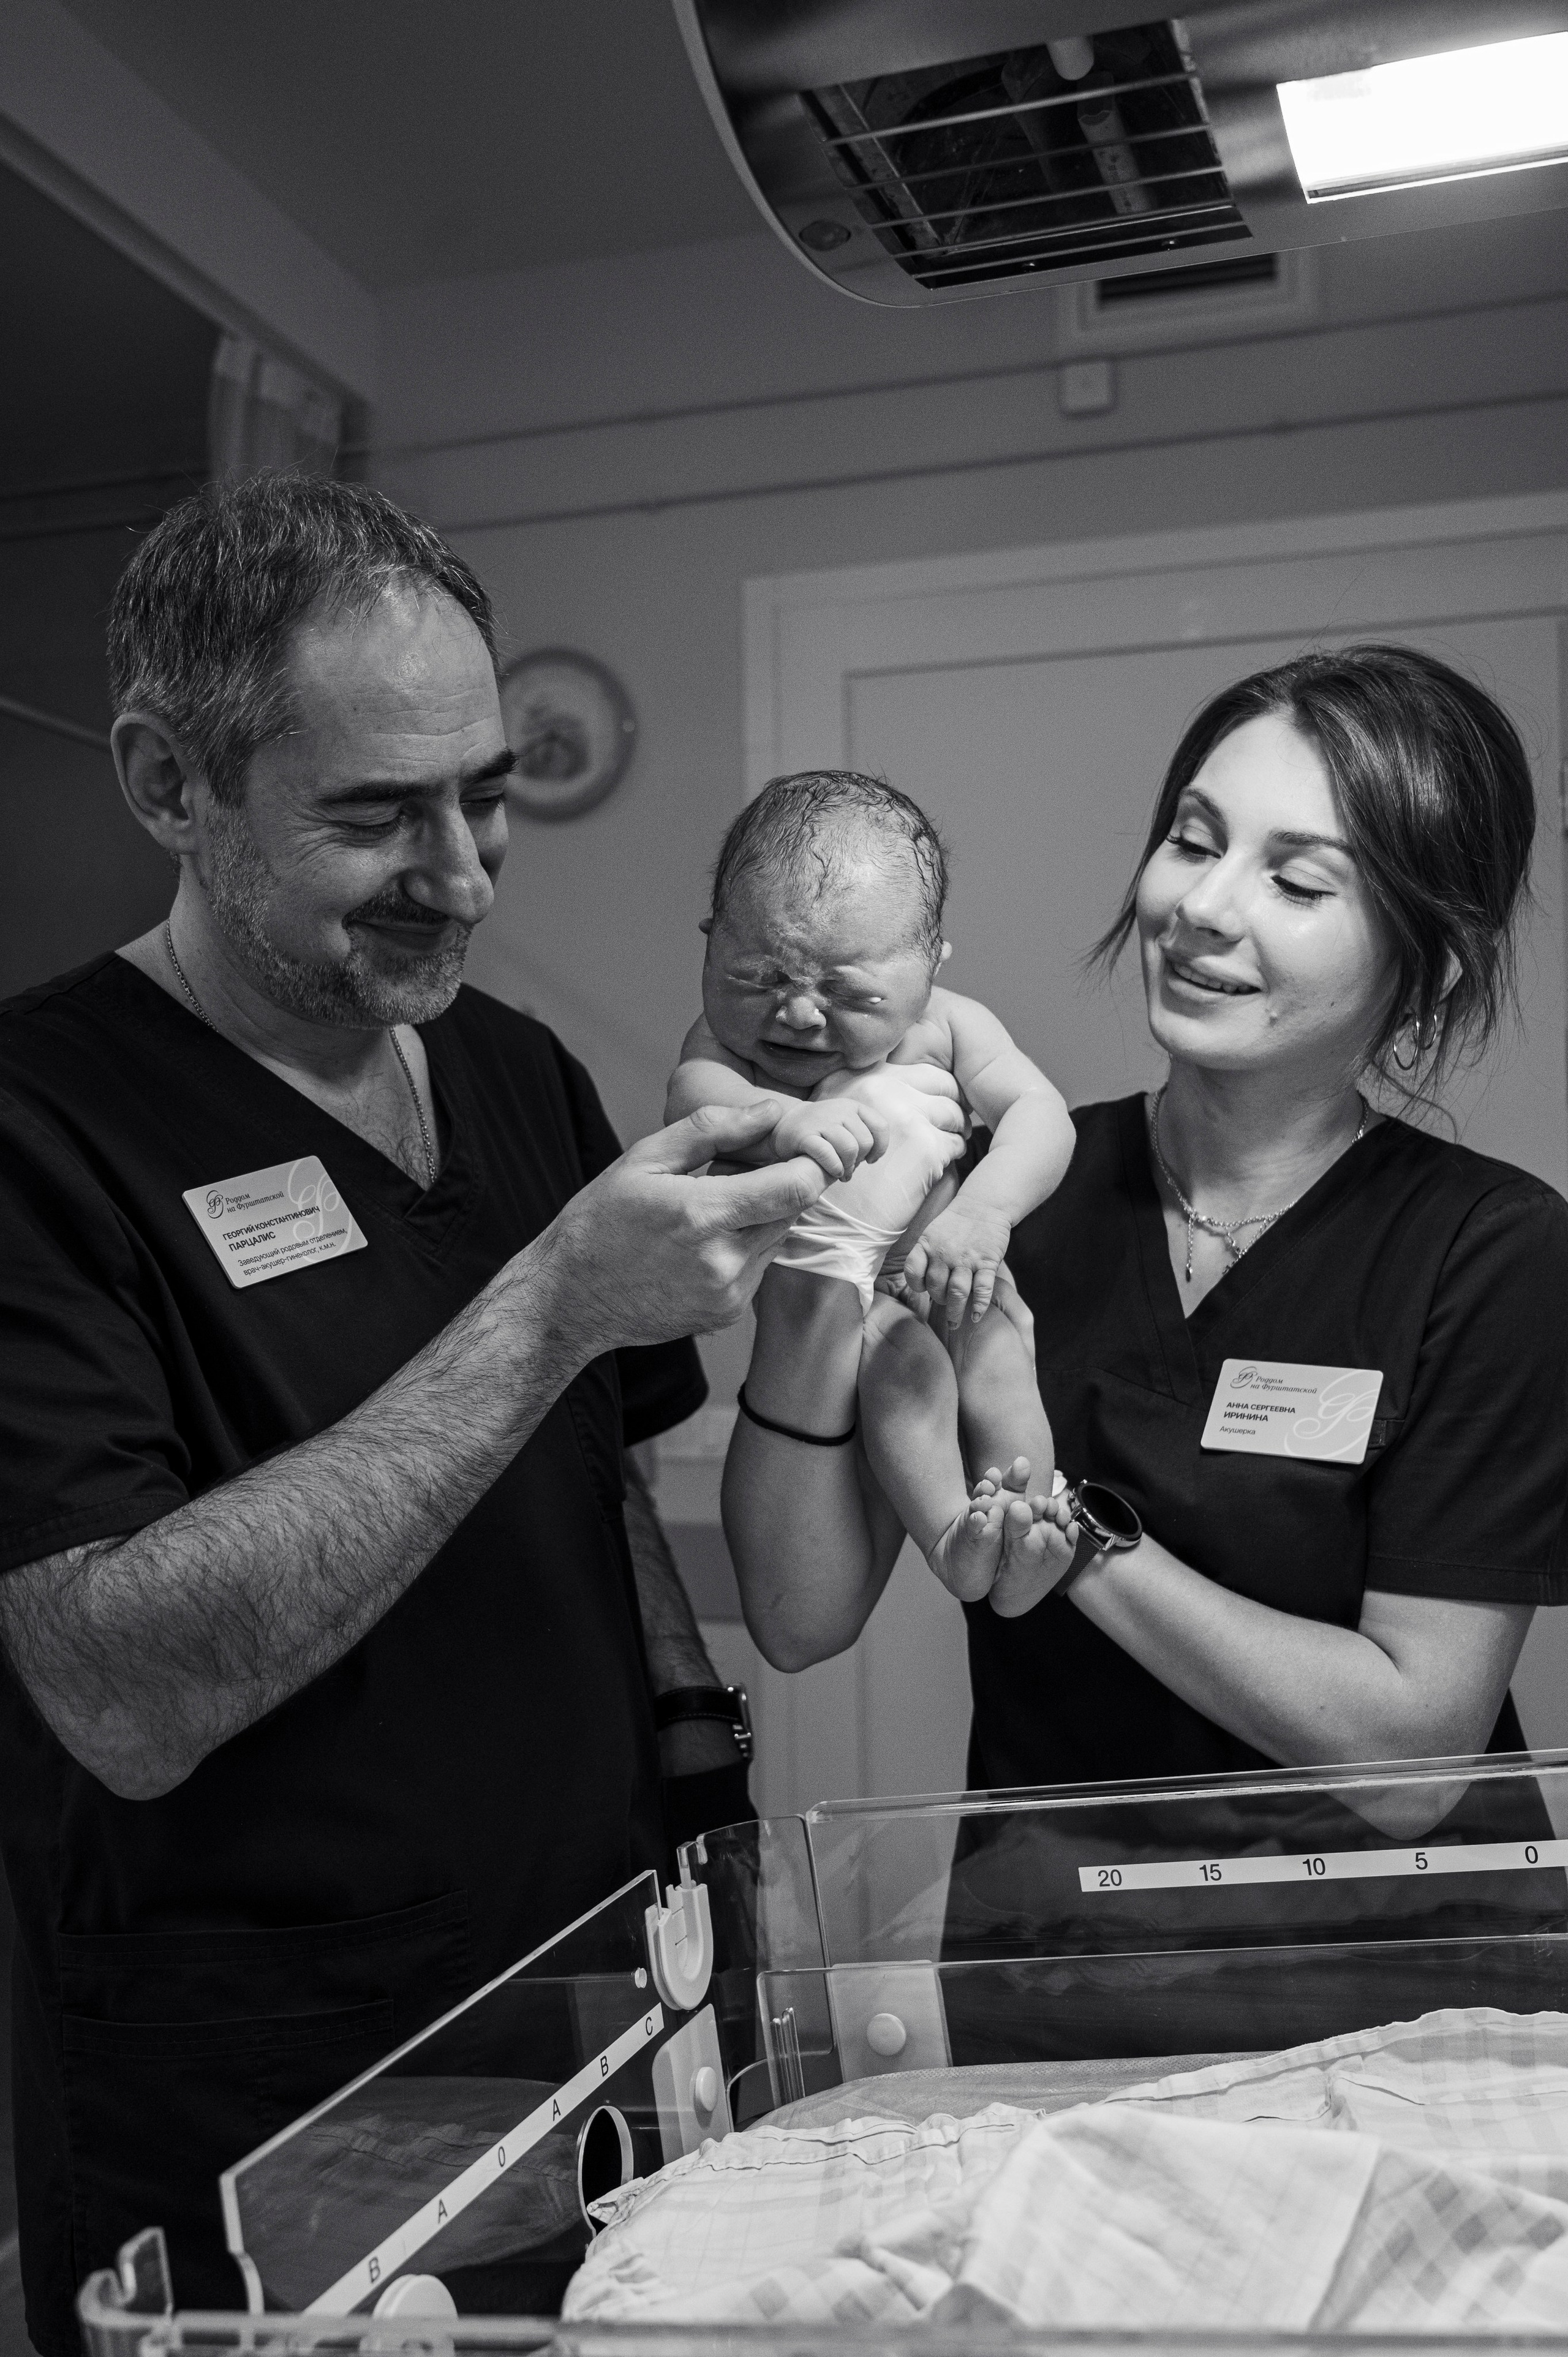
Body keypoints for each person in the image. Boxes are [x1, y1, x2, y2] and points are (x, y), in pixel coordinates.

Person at [0, 476, 826, 2350]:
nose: (460, 874)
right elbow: (115, 1693)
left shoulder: (511, 1067)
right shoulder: (41, 1131)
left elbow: (603, 1492)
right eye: (376, 817)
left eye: (490, 793)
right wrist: (542, 1305)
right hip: (263, 2070)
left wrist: (708, 1814)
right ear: (167, 785)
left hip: (598, 1990)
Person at [725, 646, 1568, 1827]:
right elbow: (796, 1617)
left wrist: (1065, 1541)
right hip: (1046, 1963)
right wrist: (816, 1260)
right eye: (1193, 839)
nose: (1202, 908)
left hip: (1390, 1970)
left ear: (1427, 962)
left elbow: (1412, 1760)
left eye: (1300, 882)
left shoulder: (1490, 1249)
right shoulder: (997, 1204)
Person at [669, 771, 1074, 1602]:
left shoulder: (951, 1025)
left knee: (998, 1361)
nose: (801, 1016)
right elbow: (692, 1099)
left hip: (954, 1263)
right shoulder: (724, 1045)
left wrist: (984, 1215)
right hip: (859, 1308)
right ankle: (952, 1539)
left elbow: (1040, 1113)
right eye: (758, 977)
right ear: (711, 942)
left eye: (848, 991)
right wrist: (774, 1119)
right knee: (904, 1374)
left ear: (931, 965)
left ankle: (1026, 1532)